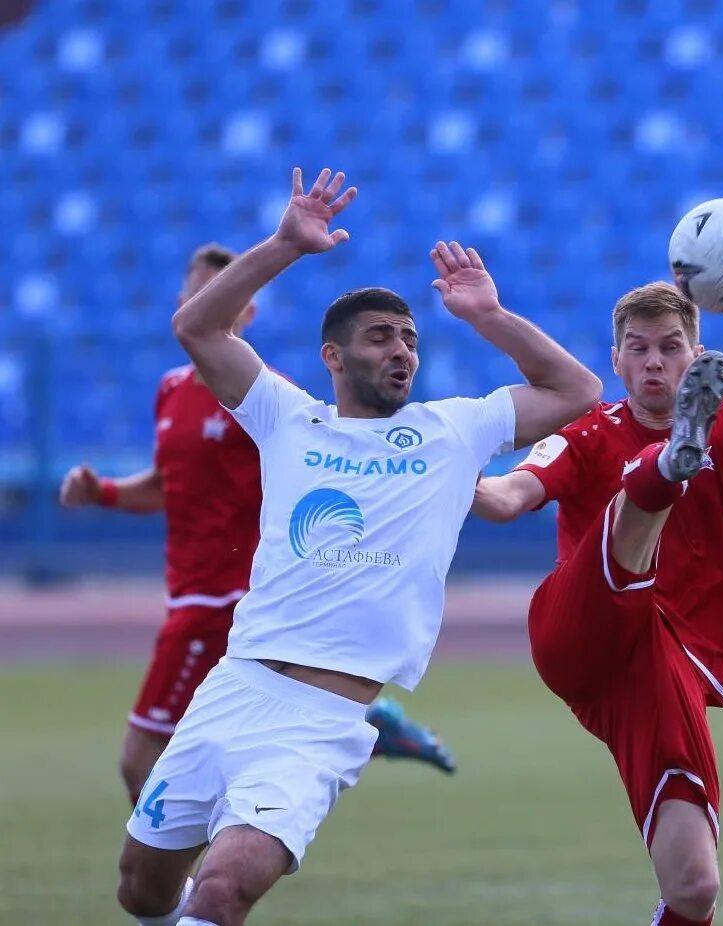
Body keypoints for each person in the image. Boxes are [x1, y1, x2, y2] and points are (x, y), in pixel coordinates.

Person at [114, 166, 602, 926]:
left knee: (222, 889)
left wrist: (489, 315)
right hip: (233, 688)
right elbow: (197, 329)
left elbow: (577, 391)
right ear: (333, 358)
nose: (401, 350)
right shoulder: (288, 417)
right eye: (380, 337)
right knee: (141, 889)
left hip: (320, 723)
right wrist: (283, 244)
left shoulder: (451, 430)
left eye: (409, 338)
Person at [472, 283, 723, 925]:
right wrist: (436, 465)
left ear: (696, 355)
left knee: (694, 888)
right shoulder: (587, 432)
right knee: (633, 505)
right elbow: (505, 499)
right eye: (638, 349)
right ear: (616, 361)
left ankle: (667, 463)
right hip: (581, 633)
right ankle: (666, 465)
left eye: (669, 348)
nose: (654, 362)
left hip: (668, 671)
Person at [59, 243, 456, 811]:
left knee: (143, 759)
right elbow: (170, 482)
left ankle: (185, 888)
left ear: (247, 315)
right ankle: (365, 726)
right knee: (241, 741)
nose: (206, 304)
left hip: (232, 595)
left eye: (224, 296)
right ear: (180, 302)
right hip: (193, 588)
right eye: (195, 293)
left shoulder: (262, 400)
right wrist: (104, 492)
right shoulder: (172, 389)